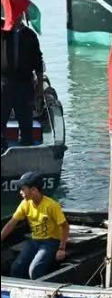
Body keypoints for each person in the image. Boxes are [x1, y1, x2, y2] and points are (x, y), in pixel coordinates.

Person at [1, 172, 69, 279]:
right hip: (34, 241)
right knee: (16, 268)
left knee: (34, 270)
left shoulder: (52, 206)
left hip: (51, 242)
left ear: (34, 190)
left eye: (23, 189)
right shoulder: (25, 204)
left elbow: (65, 226)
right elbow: (11, 223)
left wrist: (61, 248)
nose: (20, 192)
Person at [1, 20, 44, 152]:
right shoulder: (3, 31)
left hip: (24, 85)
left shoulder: (30, 35)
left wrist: (40, 87)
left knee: (26, 124)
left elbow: (38, 62)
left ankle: (26, 149)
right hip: (4, 84)